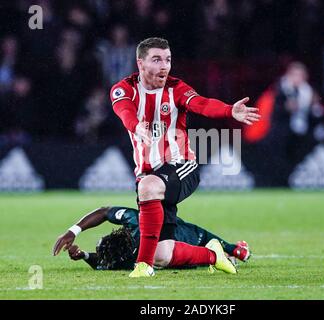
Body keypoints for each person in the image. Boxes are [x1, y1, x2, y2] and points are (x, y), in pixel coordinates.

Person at [110, 37, 259, 277]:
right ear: (140, 63)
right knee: (163, 255)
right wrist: (136, 126)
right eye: (157, 60)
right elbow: (124, 110)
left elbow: (202, 104)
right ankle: (214, 254)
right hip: (149, 176)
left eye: (168, 60)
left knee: (148, 187)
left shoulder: (176, 88)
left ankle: (142, 266)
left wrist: (229, 110)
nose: (164, 66)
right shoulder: (123, 89)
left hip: (182, 166)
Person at [52, 206, 251, 270]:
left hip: (174, 247)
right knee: (202, 237)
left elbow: (103, 264)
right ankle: (234, 250)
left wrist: (85, 255)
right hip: (179, 237)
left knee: (197, 248)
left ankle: (230, 253)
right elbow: (105, 212)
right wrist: (74, 231)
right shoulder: (132, 221)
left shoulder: (129, 259)